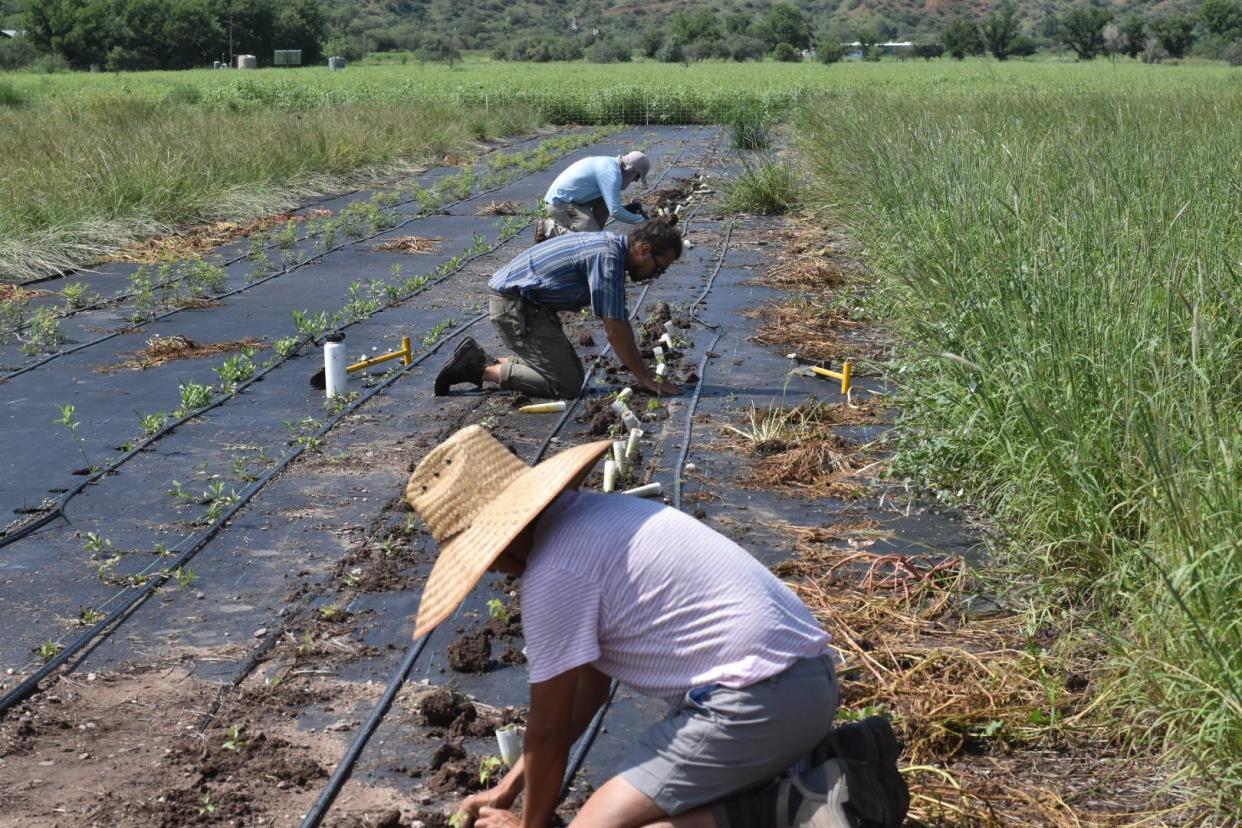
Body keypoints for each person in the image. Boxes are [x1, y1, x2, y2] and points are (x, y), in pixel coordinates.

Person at [404, 425, 910, 828]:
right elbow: (589, 693)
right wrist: (510, 785)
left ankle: (799, 806)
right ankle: (811, 768)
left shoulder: (554, 573)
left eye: (484, 559)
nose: (490, 571)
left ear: (505, 538)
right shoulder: (602, 516)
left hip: (751, 704)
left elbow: (550, 731)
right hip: (809, 685)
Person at [434, 216, 684, 400]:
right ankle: (478, 369)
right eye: (659, 266)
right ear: (644, 250)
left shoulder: (611, 248)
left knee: (573, 372)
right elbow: (614, 329)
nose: (658, 274)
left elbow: (619, 320)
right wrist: (643, 376)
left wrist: (641, 369)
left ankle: (483, 358)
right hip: (516, 306)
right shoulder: (608, 259)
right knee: (567, 386)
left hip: (529, 306)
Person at [536, 151, 651, 241]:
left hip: (575, 201)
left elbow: (612, 206)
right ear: (631, 170)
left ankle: (591, 232)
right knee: (594, 240)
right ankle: (549, 228)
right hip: (559, 203)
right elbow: (615, 211)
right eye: (637, 177)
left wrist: (627, 210)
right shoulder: (611, 173)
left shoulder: (611, 165)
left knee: (604, 203)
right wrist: (644, 221)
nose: (636, 181)